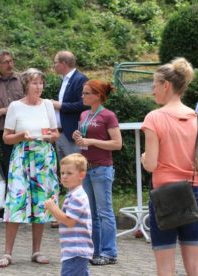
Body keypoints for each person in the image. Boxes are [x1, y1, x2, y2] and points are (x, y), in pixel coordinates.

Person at [141, 58, 198, 276]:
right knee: (195, 266)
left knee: (165, 267)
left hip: (164, 196)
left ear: (166, 85)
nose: (153, 91)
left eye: (154, 85)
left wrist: (143, 156)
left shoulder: (153, 118)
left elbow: (150, 164)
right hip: (193, 193)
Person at [0, 68, 60, 268]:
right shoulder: (15, 106)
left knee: (41, 202)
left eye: (41, 83)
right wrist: (21, 136)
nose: (39, 87)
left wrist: (49, 136)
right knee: (16, 200)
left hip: (43, 157)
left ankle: (37, 250)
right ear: (26, 85)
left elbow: (56, 133)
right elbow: (6, 138)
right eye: (34, 83)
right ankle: (7, 253)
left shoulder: (48, 105)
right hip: (22, 157)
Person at [72, 80, 122, 266]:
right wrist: (79, 138)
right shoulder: (84, 114)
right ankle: (95, 251)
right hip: (87, 168)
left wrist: (91, 141)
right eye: (83, 93)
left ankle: (109, 253)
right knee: (92, 213)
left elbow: (117, 143)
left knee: (105, 212)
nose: (82, 96)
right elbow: (85, 138)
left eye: (86, 93)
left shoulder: (108, 116)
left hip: (102, 168)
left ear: (98, 96)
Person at [44, 153, 94, 276]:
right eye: (62, 173)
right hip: (73, 250)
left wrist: (54, 208)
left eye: (69, 173)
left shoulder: (77, 196)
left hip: (76, 250)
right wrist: (54, 212)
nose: (64, 177)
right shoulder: (72, 195)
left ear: (81, 175)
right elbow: (65, 219)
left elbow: (70, 221)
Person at [0, 50, 24, 182]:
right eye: (6, 62)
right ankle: (13, 197)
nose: (10, 64)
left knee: (27, 164)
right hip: (6, 131)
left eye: (11, 61)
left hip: (25, 129)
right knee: (10, 165)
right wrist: (7, 110)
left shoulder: (23, 79)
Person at [52, 51, 88, 161]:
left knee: (76, 169)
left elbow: (84, 104)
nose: (54, 65)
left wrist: (60, 105)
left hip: (72, 135)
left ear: (63, 64)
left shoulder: (80, 79)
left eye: (55, 62)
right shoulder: (64, 80)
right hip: (60, 133)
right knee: (65, 172)